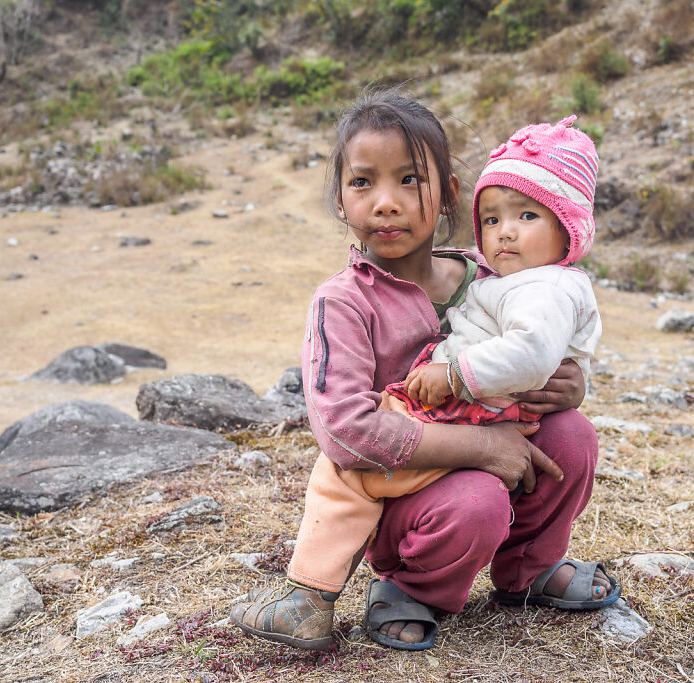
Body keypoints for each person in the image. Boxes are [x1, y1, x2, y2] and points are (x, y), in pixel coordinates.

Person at [231, 90, 617, 652]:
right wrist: (484, 449)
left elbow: (547, 337)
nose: (386, 202)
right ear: (340, 199)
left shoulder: (492, 277)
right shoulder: (343, 303)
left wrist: (571, 384)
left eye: (410, 180)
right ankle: (406, 589)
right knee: (477, 500)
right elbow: (345, 431)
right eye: (363, 182)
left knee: (573, 437)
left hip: (495, 449)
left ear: (449, 195)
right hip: (397, 495)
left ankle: (528, 572)